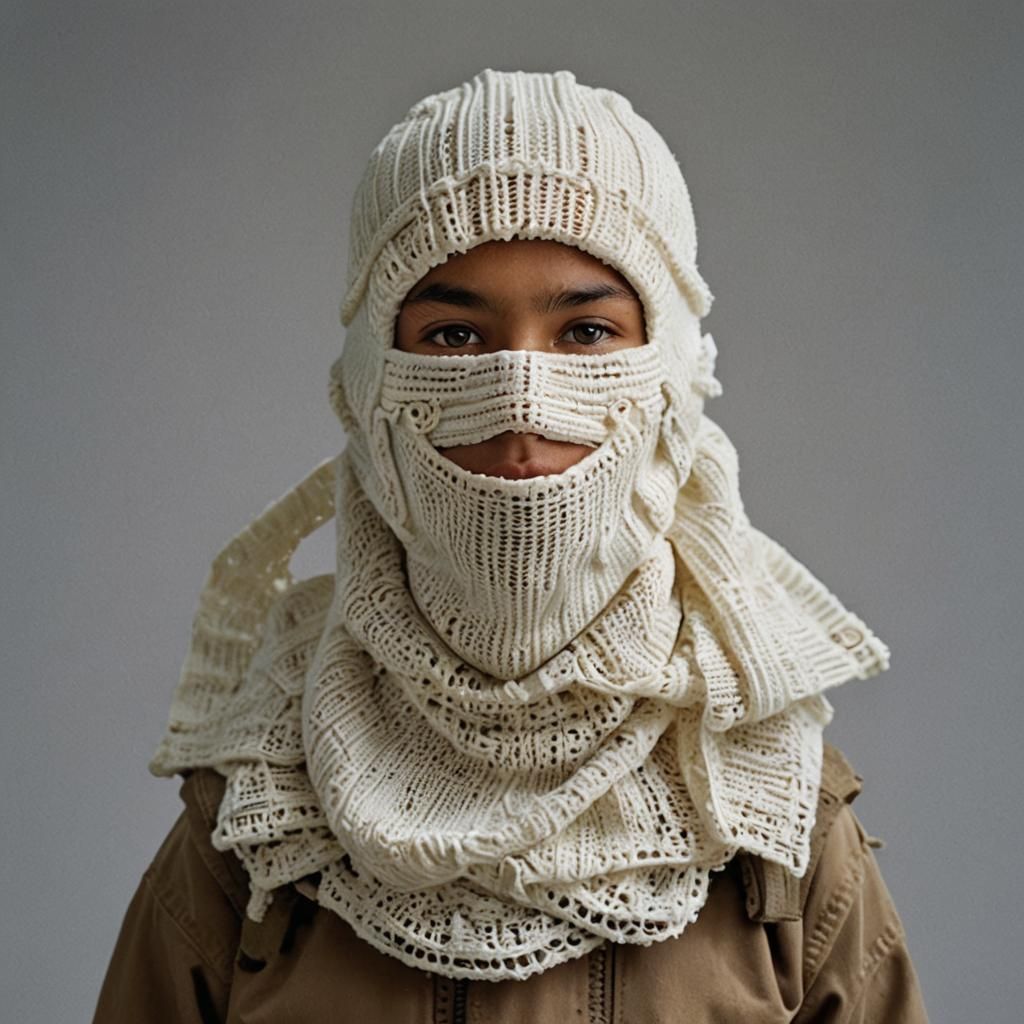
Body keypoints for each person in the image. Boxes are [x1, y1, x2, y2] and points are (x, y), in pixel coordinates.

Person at [93, 68, 928, 1022]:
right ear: (370, 375)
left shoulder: (771, 818)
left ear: (671, 371)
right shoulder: (257, 818)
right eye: (453, 334)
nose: (522, 400)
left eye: (585, 330)